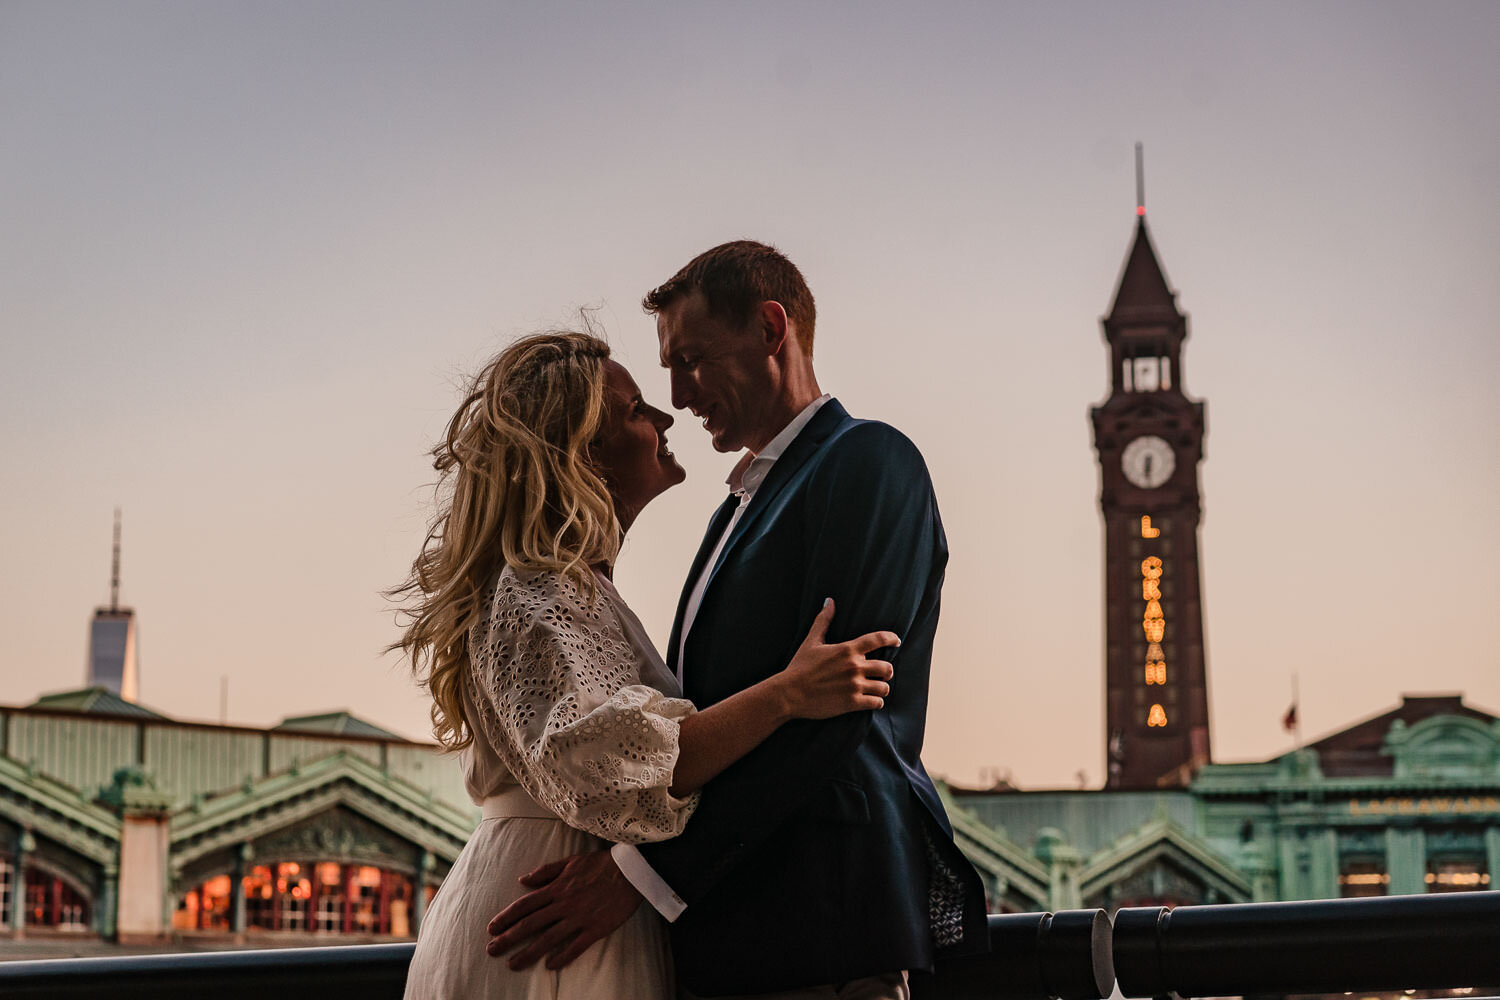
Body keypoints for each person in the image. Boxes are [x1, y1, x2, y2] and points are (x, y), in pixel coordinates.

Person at [487, 243, 989, 998]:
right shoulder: (731, 510)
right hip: (730, 939)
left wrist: (642, 876)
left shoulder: (869, 461)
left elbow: (836, 712)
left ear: (769, 329)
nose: (679, 395)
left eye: (690, 359)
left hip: (824, 929)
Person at [394, 331, 901, 999]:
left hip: (547, 907)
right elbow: (605, 765)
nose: (664, 417)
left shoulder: (562, 586)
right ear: (579, 452)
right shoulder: (540, 587)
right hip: (554, 923)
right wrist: (786, 695)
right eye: (636, 410)